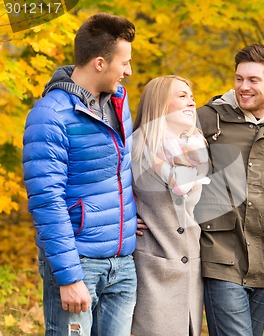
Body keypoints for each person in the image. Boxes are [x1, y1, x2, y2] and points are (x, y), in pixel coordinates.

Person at [22, 13, 138, 335]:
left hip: (123, 262)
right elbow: (47, 200)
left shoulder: (118, 102)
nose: (128, 71)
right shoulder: (50, 115)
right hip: (79, 261)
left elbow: (121, 172)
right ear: (100, 63)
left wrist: (131, 215)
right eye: (124, 63)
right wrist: (70, 277)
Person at [194, 43, 264, 336]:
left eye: (253, 80)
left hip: (262, 260)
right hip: (220, 254)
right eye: (239, 78)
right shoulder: (206, 119)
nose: (243, 87)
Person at [131, 75, 209, 336]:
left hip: (190, 268)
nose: (191, 101)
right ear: (160, 103)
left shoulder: (196, 147)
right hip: (153, 267)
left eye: (191, 96)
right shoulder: (136, 150)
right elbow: (110, 195)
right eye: (182, 95)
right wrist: (123, 221)